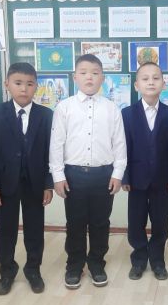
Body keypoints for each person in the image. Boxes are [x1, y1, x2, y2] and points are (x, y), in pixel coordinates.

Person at [49, 54, 127, 289]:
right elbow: (56, 144)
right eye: (83, 73)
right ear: (75, 77)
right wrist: (58, 176)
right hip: (74, 175)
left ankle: (96, 263)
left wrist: (118, 174)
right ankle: (74, 265)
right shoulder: (64, 107)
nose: (89, 77)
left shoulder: (112, 108)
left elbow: (119, 144)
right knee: (75, 223)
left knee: (100, 222)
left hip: (103, 175)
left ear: (102, 77)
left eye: (94, 73)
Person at [0, 62, 53, 296]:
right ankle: (7, 270)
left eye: (29, 84)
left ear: (36, 86)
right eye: (18, 83)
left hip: (35, 183)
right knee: (6, 229)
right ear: (7, 84)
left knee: (35, 229)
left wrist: (48, 184)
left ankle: (33, 269)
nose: (23, 88)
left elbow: (50, 152)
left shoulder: (46, 115)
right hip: (6, 184)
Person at [121, 62, 168, 281]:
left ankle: (157, 261)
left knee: (160, 222)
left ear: (163, 84)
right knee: (136, 222)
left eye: (156, 78)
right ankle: (138, 260)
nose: (151, 82)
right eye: (145, 79)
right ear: (136, 85)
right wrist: (125, 176)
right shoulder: (127, 114)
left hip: (162, 180)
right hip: (135, 179)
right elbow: (124, 147)